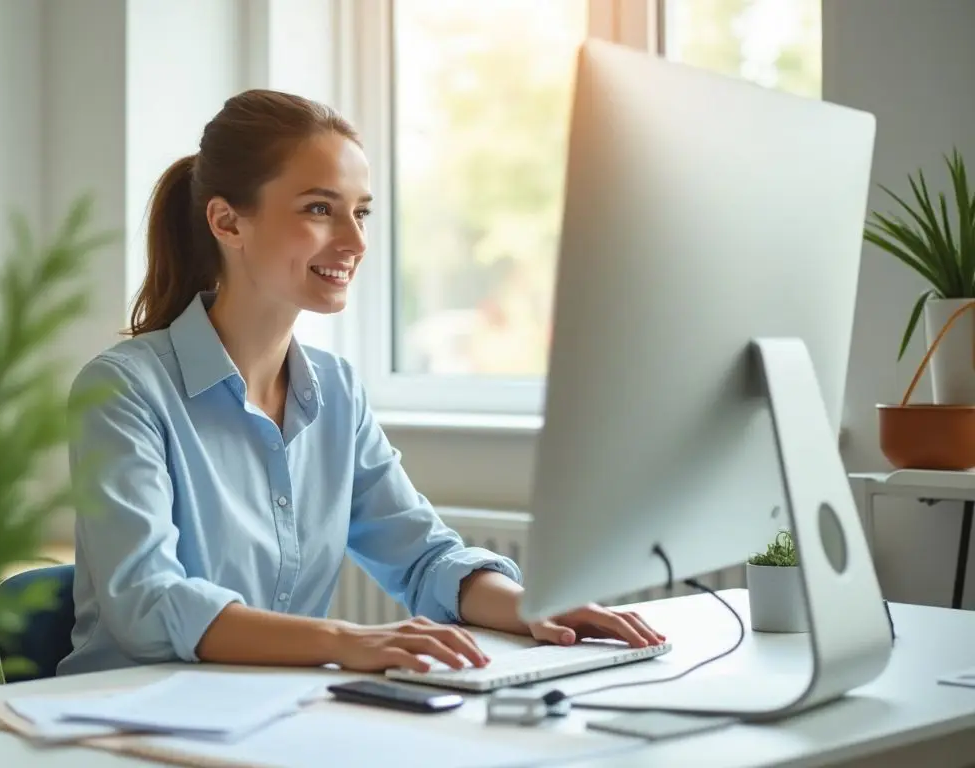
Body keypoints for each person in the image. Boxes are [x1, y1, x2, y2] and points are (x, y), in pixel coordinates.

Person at [57, 89, 664, 677]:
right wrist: (346, 640)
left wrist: (532, 609)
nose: (355, 240)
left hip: (267, 717)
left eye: (361, 211)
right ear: (227, 222)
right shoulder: (124, 391)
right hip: (120, 723)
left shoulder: (336, 391)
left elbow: (426, 557)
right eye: (320, 209)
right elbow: (146, 603)